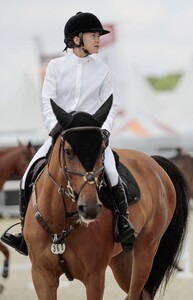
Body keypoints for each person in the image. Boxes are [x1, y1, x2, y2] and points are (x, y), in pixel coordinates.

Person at [1, 12, 135, 255]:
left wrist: (104, 132)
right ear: (76, 39)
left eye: (98, 35)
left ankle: (123, 222)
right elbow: (47, 101)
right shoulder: (55, 67)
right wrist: (56, 129)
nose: (98, 39)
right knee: (27, 176)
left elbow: (110, 105)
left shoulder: (103, 70)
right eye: (93, 35)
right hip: (62, 135)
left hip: (93, 138)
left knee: (113, 172)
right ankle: (24, 233)